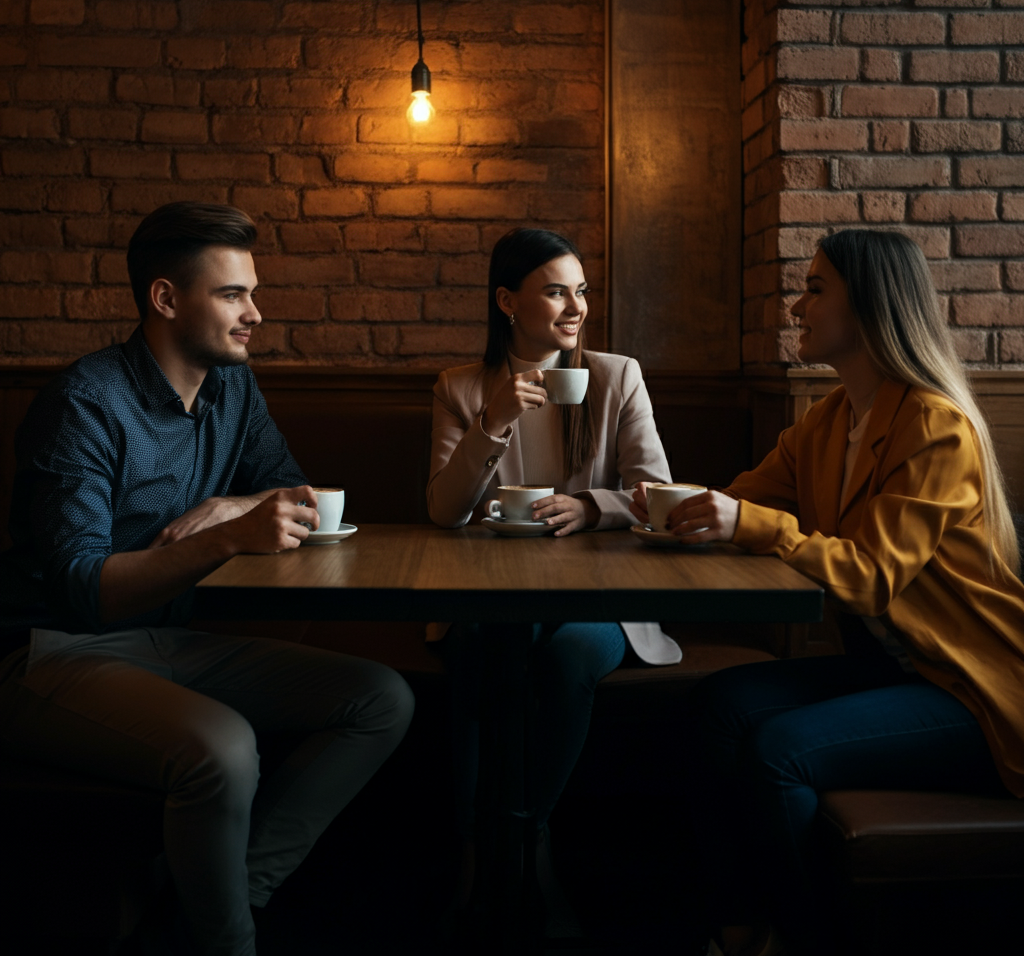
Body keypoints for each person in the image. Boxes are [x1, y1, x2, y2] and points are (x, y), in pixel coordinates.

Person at [0, 202, 414, 956]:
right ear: (166, 299)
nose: (255, 313)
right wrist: (224, 535)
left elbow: (293, 490)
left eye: (251, 293)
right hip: (50, 653)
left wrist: (230, 503)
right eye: (233, 295)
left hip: (167, 638)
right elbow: (85, 588)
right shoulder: (84, 404)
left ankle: (216, 908)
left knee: (380, 698)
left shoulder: (231, 388)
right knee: (224, 749)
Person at [630, 229, 1024, 956]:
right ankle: (740, 929)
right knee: (718, 707)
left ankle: (810, 941)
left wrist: (755, 526)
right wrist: (661, 512)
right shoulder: (827, 420)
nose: (796, 304)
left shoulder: (937, 429)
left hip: (974, 690)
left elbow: (870, 577)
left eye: (815, 288)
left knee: (778, 750)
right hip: (893, 669)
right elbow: (741, 502)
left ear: (869, 306)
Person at [427, 227, 681, 925]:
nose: (576, 307)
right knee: (478, 646)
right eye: (556, 291)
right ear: (508, 301)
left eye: (582, 291)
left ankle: (526, 829)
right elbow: (446, 513)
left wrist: (591, 506)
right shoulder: (462, 388)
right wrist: (494, 420)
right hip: (489, 592)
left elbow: (654, 493)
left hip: (598, 598)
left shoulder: (616, 374)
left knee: (570, 654)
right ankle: (474, 843)